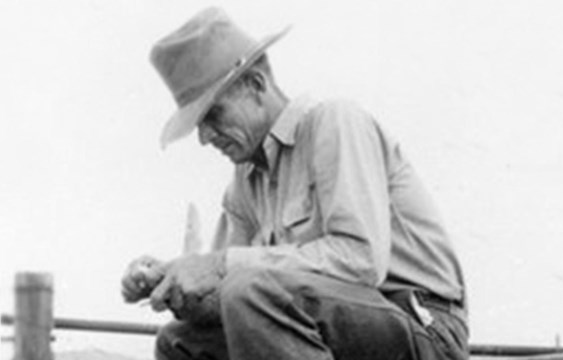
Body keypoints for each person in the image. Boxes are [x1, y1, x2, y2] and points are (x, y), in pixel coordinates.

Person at [121, 6, 468, 360]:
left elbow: (361, 261)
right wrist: (175, 282)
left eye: (214, 114)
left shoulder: (335, 123)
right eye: (199, 125)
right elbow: (228, 298)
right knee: (180, 341)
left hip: (424, 328)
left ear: (256, 85)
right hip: (342, 329)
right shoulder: (245, 182)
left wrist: (219, 264)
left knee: (250, 286)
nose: (206, 137)